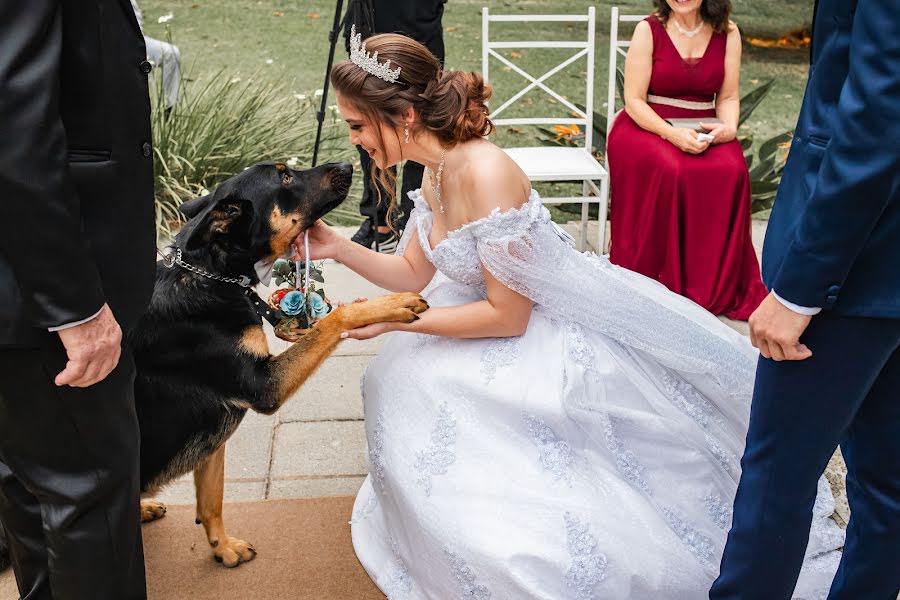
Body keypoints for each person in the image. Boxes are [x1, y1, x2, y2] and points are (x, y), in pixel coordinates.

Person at [295, 30, 844, 598]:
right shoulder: (433, 171)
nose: (355, 140)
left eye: (357, 125)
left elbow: (508, 316)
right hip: (486, 309)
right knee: (397, 379)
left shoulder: (484, 172)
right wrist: (337, 245)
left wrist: (396, 320)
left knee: (429, 389)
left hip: (538, 325)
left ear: (404, 116)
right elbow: (414, 273)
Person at [711, 0, 900, 597]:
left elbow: (877, 120)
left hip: (856, 264)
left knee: (778, 476)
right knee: (889, 485)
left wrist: (801, 289)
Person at [0, 1, 156, 598]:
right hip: (45, 285)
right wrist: (75, 308)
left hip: (26, 281)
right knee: (87, 497)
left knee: (32, 486)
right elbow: (16, 128)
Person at [606, 0, 767, 321]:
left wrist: (729, 127)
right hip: (647, 124)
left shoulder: (728, 33)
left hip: (704, 122)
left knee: (732, 168)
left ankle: (712, 283)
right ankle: (661, 280)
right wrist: (670, 134)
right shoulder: (648, 30)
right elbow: (634, 101)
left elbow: (729, 97)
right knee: (674, 168)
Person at [343, 0, 447, 252]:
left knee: (418, 125)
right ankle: (380, 220)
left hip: (418, 26)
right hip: (369, 25)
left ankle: (414, 219)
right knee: (368, 128)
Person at [131, 0, 182, 109]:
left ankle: (169, 111)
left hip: (135, 40)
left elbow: (137, 22)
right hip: (109, 46)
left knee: (171, 53)